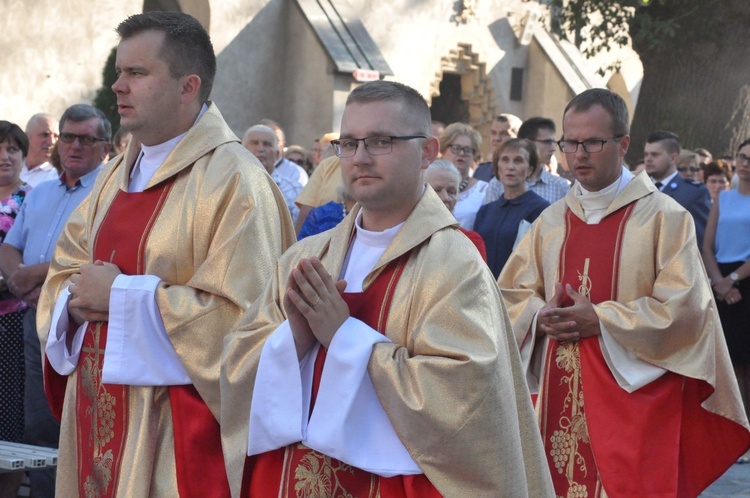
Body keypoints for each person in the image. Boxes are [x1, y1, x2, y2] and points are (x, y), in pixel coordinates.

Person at [220, 80, 553, 497]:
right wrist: (294, 339)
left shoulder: (454, 264)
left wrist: (344, 337)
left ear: (427, 152)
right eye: (349, 142)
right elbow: (235, 366)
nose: (360, 157)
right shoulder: (306, 256)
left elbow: (464, 403)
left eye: (380, 141)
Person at [36, 12, 294, 497]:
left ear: (187, 86)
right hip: (95, 414)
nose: (117, 86)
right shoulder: (114, 175)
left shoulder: (235, 181)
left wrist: (123, 298)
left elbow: (249, 321)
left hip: (177, 436)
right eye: (118, 72)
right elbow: (67, 269)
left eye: (137, 73)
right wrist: (72, 301)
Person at [498, 88, 750, 497]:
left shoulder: (666, 219)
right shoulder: (550, 222)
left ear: (624, 144)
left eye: (593, 142)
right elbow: (509, 294)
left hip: (635, 404)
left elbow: (685, 310)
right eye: (570, 143)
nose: (578, 154)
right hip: (557, 398)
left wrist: (600, 319)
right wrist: (537, 316)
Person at [0, 104, 111, 498]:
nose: (75, 146)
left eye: (86, 138)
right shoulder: (42, 192)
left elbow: (97, 256)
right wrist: (19, 279)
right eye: (68, 137)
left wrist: (36, 276)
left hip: (83, 324)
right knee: (40, 423)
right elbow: (12, 247)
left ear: (106, 146)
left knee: (81, 421)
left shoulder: (109, 192)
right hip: (34, 319)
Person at [702, 138, 750, 463]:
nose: (746, 163)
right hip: (720, 279)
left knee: (747, 362)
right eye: (742, 157)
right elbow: (707, 244)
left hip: (744, 281)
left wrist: (731, 281)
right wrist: (719, 282)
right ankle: (732, 432)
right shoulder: (724, 197)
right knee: (729, 361)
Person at [0, 121, 33, 498]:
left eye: (12, 149)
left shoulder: (32, 200)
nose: (4, 156)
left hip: (14, 322)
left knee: (9, 421)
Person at [474, 139, 548, 278]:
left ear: (530, 170)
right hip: (485, 291)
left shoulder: (541, 209)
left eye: (518, 161)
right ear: (497, 166)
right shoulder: (485, 211)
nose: (510, 166)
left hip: (519, 292)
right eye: (505, 160)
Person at [644, 130, 711, 247]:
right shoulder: (641, 188)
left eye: (655, 155)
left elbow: (699, 240)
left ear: (673, 158)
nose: (648, 159)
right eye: (646, 154)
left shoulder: (693, 192)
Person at [485, 117, 570, 205]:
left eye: (553, 143)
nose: (553, 148)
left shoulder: (560, 186)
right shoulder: (497, 184)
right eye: (547, 142)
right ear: (527, 143)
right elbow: (490, 217)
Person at [424, 159, 487, 260]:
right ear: (420, 191)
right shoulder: (401, 236)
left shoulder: (470, 242)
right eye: (436, 190)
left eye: (451, 192)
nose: (445, 198)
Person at [243, 124, 303, 223]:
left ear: (277, 154)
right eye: (254, 143)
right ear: (242, 150)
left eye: (267, 144)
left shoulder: (295, 190)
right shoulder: (230, 185)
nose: (260, 149)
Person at [439, 122, 488, 229]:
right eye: (456, 148)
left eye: (467, 150)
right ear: (443, 150)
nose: (461, 153)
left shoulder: (483, 191)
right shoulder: (427, 185)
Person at [474, 113, 520, 181]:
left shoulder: (523, 171)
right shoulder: (481, 171)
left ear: (518, 138)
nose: (497, 138)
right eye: (493, 133)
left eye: (504, 134)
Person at [21, 114, 59, 187]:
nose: (52, 142)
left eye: (56, 136)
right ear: (26, 138)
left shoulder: (57, 176)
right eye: (45, 135)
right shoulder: (10, 166)